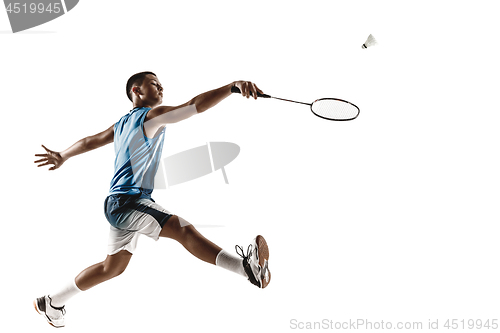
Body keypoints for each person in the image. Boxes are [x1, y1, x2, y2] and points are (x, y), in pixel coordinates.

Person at [33, 72, 271, 328]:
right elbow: (193, 106)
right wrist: (231, 87)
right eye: (154, 84)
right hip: (129, 201)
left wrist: (63, 155)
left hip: (119, 202)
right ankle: (246, 269)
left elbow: (91, 141)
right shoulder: (150, 116)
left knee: (111, 269)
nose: (161, 88)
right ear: (136, 90)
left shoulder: (122, 123)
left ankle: (52, 302)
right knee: (183, 229)